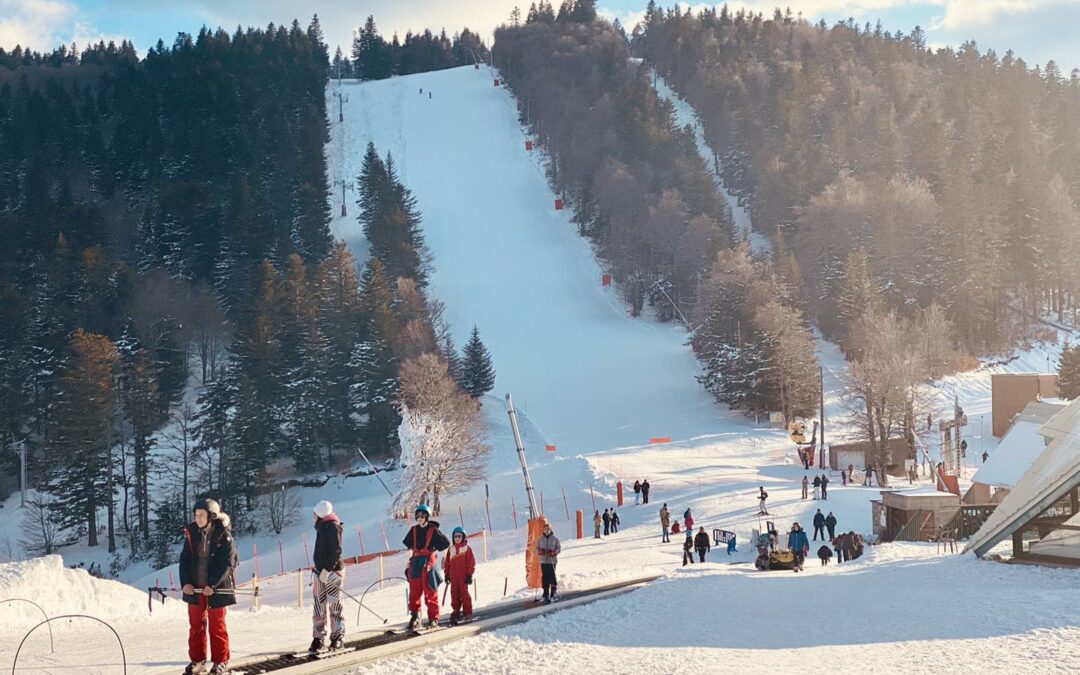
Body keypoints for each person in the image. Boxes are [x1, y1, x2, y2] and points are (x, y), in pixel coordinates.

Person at [180, 498, 237, 675]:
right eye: (196, 515)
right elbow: (184, 561)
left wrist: (212, 584)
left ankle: (221, 660)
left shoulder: (224, 535)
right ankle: (197, 660)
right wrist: (186, 583)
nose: (198, 518)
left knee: (216, 626)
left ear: (211, 516)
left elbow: (227, 563)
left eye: (202, 515)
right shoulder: (192, 534)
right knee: (196, 626)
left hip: (217, 588)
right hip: (196, 589)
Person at [402, 504, 450, 631]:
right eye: (418, 516)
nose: (420, 518)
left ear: (427, 517)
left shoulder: (433, 530)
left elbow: (445, 544)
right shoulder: (413, 530)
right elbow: (409, 547)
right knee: (414, 592)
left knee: (430, 591)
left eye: (422, 516)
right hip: (416, 562)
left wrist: (440, 554)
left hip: (428, 563)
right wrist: (408, 563)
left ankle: (433, 618)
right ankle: (415, 617)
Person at [310, 500, 344, 653]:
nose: (313, 517)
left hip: (332, 572)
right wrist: (319, 569)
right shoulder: (322, 527)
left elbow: (336, 551)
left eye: (315, 514)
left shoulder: (333, 527)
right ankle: (318, 637)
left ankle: (338, 637)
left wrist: (327, 570)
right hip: (319, 572)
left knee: (334, 604)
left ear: (321, 515)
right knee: (319, 604)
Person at [443, 527, 476, 624]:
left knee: (464, 594)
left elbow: (471, 563)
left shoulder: (466, 549)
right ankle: (456, 611)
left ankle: (467, 612)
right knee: (454, 595)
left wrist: (469, 575)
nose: (457, 538)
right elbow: (447, 563)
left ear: (463, 537)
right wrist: (447, 574)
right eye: (455, 536)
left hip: (463, 577)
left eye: (459, 536)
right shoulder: (451, 549)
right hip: (453, 577)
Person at [536, 521, 561, 604]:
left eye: (548, 529)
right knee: (545, 577)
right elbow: (537, 549)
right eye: (545, 529)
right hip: (543, 561)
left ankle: (553, 593)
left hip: (552, 561)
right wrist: (541, 551)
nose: (547, 530)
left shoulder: (555, 539)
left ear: (551, 530)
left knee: (552, 576)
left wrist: (553, 552)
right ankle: (545, 594)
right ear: (543, 530)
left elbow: (559, 549)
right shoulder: (540, 539)